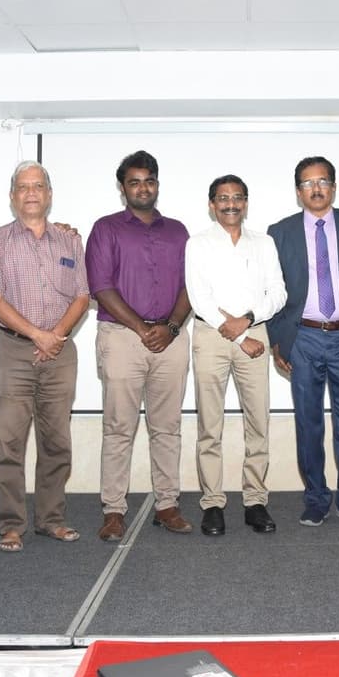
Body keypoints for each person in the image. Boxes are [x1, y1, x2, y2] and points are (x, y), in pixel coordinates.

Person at [0, 161, 91, 553]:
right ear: (13, 196)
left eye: (39, 186)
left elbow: (83, 295)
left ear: (49, 194)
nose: (31, 193)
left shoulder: (70, 241)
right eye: (23, 187)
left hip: (61, 352)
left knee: (56, 441)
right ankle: (11, 524)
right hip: (13, 350)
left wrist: (56, 336)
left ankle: (51, 519)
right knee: (9, 443)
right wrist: (37, 335)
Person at [87, 151, 194, 542]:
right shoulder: (106, 229)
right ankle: (114, 510)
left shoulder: (178, 231)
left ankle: (167, 504)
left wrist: (169, 326)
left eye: (149, 180)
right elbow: (100, 286)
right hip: (121, 337)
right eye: (134, 182)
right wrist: (140, 327)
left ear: (157, 184)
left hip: (171, 338)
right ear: (122, 188)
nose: (142, 187)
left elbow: (190, 287)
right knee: (118, 428)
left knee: (167, 427)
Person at [268, 156, 339, 527]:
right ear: (298, 191)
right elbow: (275, 291)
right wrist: (277, 341)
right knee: (308, 423)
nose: (316, 189)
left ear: (334, 185)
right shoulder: (279, 232)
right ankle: (315, 499)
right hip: (303, 338)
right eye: (307, 183)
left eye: (323, 181)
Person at [185, 175, 287, 536]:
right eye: (223, 198)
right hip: (211, 334)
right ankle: (212, 503)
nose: (231, 203)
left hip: (255, 331)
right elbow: (199, 297)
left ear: (246, 202)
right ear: (211, 204)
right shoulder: (197, 243)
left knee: (257, 422)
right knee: (209, 426)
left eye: (238, 197)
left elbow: (278, 292)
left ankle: (255, 501)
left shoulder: (264, 242)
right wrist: (239, 333)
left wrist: (248, 321)